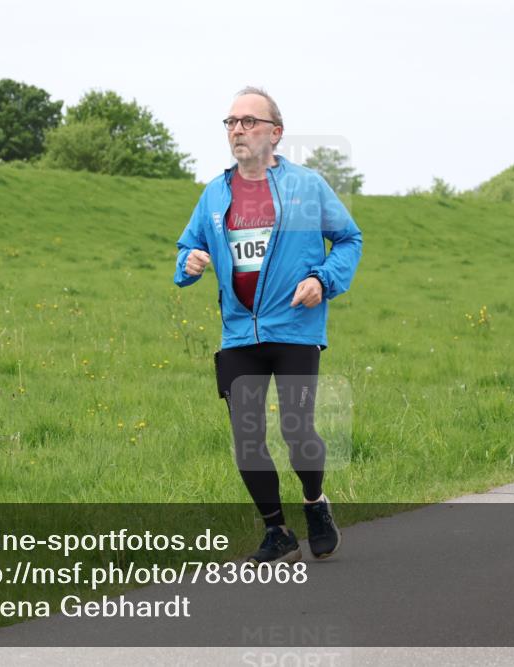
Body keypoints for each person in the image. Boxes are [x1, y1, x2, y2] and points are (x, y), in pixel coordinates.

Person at [173, 87, 363, 565]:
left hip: (295, 327)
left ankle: (315, 503)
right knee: (247, 438)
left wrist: (324, 279)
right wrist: (189, 262)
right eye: (231, 122)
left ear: (275, 133)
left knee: (298, 431)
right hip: (240, 333)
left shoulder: (306, 187)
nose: (237, 129)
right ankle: (277, 530)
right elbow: (187, 248)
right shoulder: (216, 194)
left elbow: (348, 239)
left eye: (248, 121)